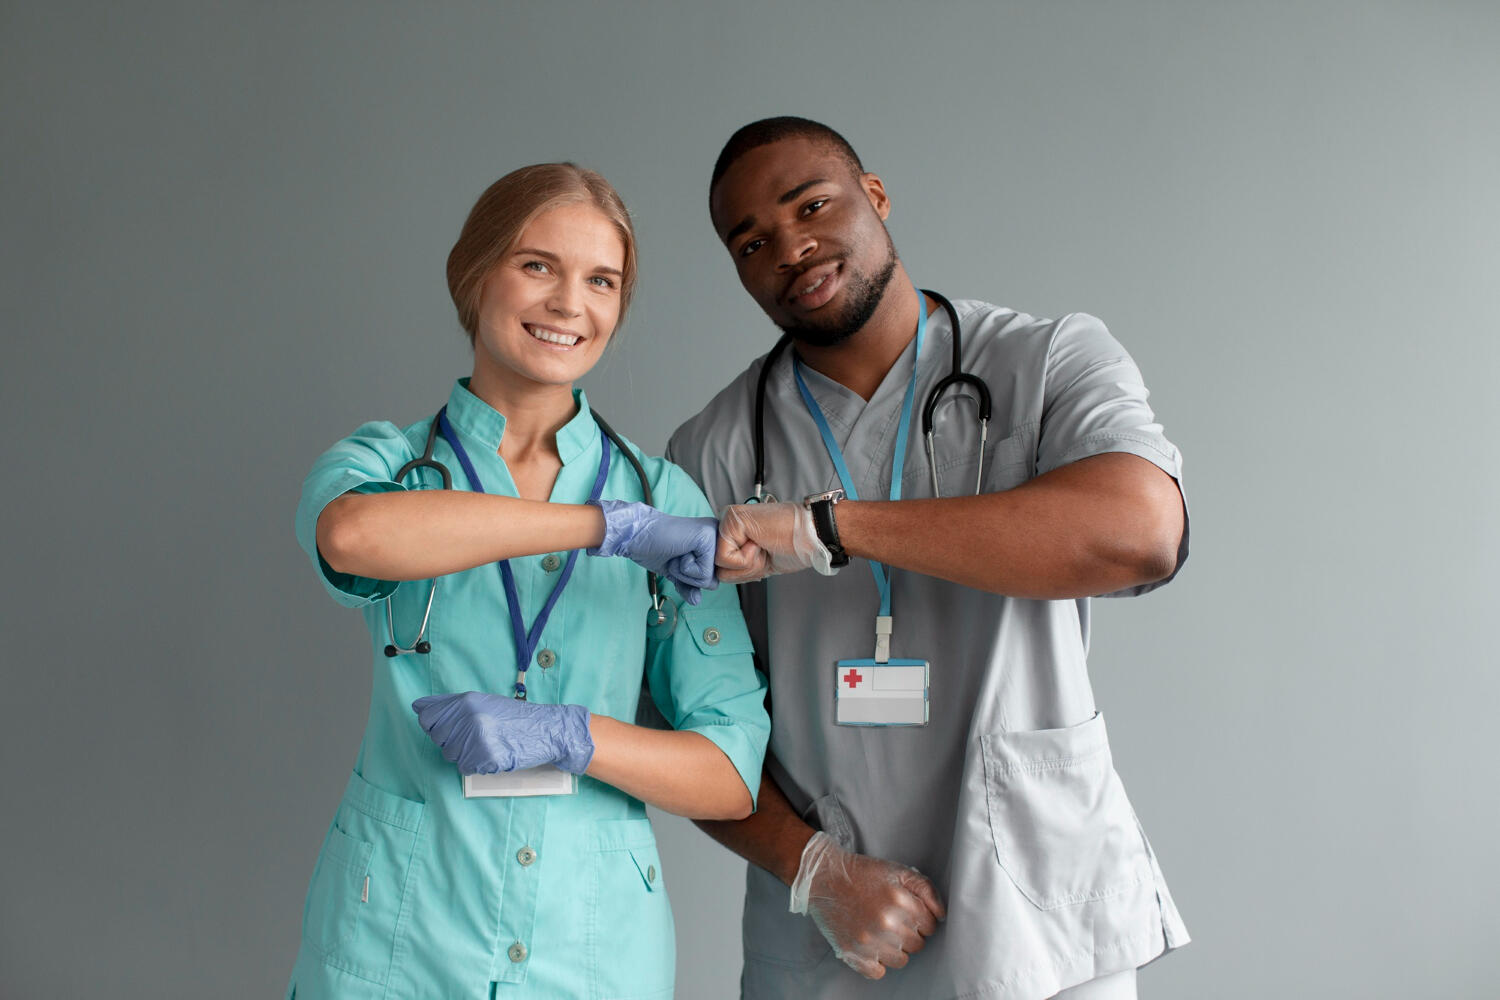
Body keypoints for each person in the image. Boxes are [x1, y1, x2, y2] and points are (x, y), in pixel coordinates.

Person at [667, 118, 1190, 1000]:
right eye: (752, 242)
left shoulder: (1047, 361)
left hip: (1036, 916)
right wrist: (813, 870)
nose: (790, 247)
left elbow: (1141, 532)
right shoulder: (712, 452)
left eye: (813, 204)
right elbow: (676, 714)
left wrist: (832, 529)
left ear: (875, 194)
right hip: (831, 934)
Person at [287, 162, 770, 999]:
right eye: (537, 265)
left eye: (602, 281)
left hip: (589, 949)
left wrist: (571, 736)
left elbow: (729, 775)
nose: (568, 304)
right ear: (473, 276)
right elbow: (355, 534)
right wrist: (607, 528)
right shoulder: (391, 464)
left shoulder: (665, 497)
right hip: (401, 933)